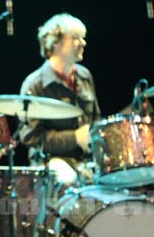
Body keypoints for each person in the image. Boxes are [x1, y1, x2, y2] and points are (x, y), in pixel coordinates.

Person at [18, 13, 101, 185]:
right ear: (54, 42)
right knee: (67, 180)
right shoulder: (35, 84)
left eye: (82, 38)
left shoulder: (84, 76)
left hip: (86, 160)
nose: (83, 43)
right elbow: (31, 137)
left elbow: (96, 120)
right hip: (51, 161)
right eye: (76, 38)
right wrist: (75, 138)